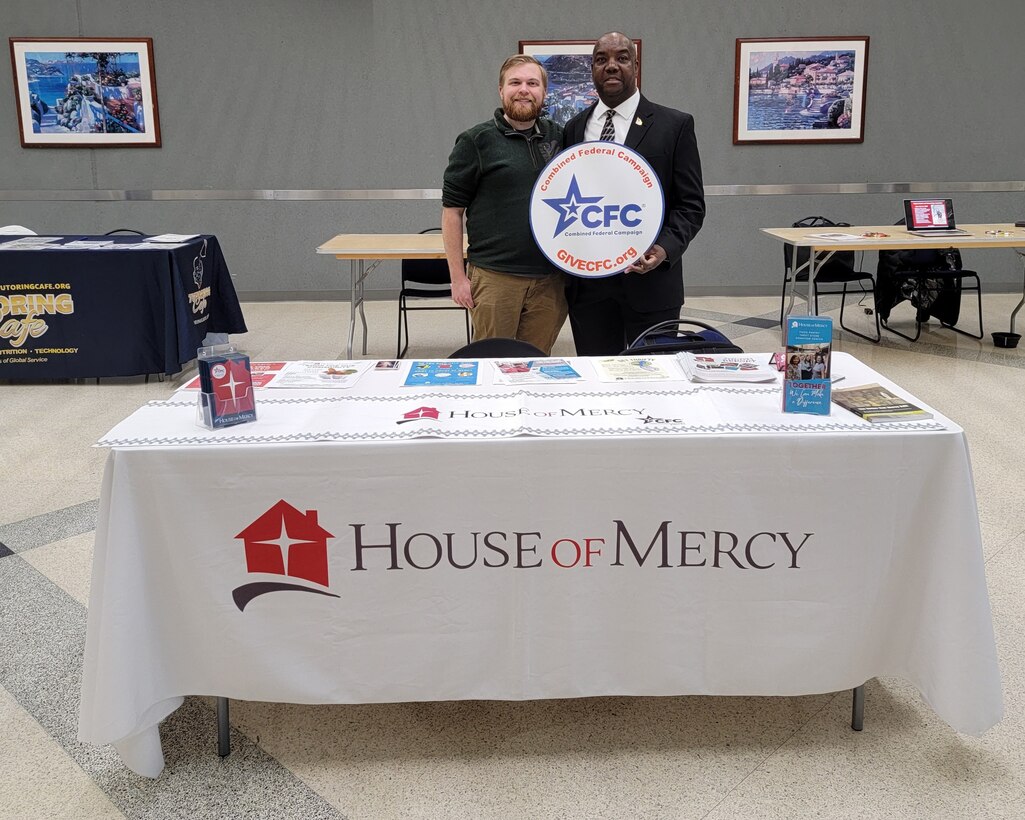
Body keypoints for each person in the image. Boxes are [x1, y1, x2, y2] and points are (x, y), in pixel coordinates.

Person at [562, 32, 705, 355]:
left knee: (657, 380)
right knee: (599, 380)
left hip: (652, 284)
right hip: (589, 290)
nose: (611, 66)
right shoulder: (573, 128)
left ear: (636, 66)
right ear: (592, 70)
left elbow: (691, 205)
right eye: (602, 60)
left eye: (622, 58)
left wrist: (665, 249)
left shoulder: (674, 125)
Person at [442, 55, 566, 354]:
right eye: (515, 82)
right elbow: (452, 212)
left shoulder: (560, 137)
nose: (524, 89)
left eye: (532, 83)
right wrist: (458, 278)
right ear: (501, 90)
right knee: (492, 367)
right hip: (496, 278)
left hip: (550, 280)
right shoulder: (475, 141)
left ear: (544, 93)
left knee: (537, 365)